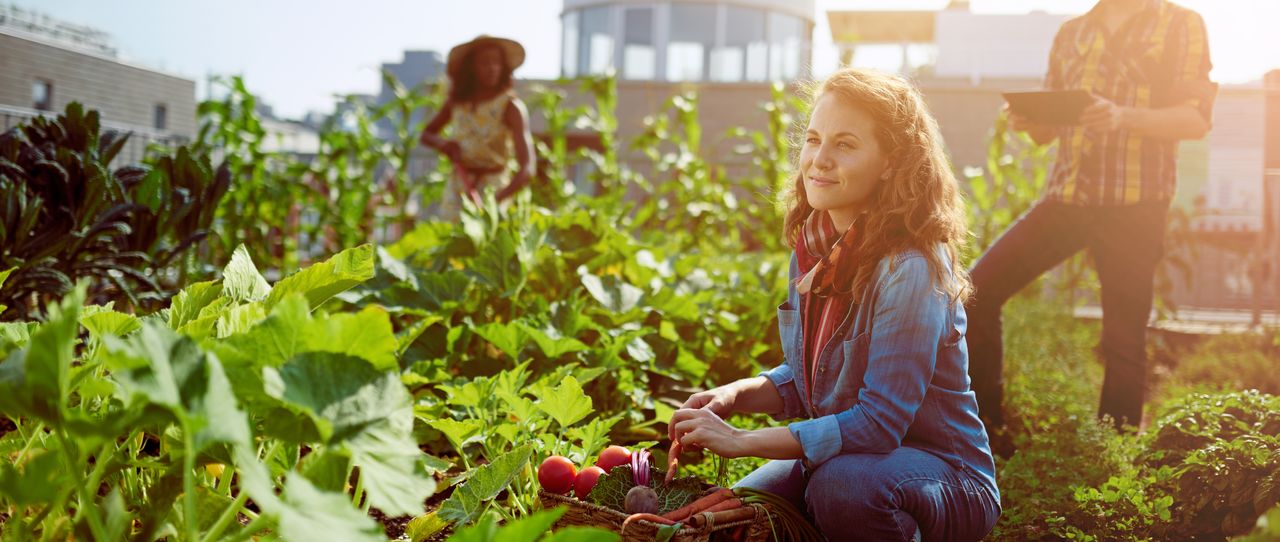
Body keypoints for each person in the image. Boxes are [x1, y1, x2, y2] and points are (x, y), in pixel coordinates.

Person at [667, 68, 1000, 542]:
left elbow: (879, 424)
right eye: (813, 139)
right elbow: (814, 381)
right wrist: (734, 397)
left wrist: (741, 442)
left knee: (840, 489)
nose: (819, 160)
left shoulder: (911, 267)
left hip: (947, 478)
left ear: (891, 163)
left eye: (845, 144)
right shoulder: (815, 250)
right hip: (849, 460)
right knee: (734, 512)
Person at [965, 0, 1216, 437]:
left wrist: (1122, 117)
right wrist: (1027, 119)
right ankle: (987, 429)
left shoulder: (1180, 24)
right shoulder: (1072, 33)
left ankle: (1114, 452)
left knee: (1123, 340)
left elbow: (1194, 120)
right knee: (975, 292)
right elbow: (1047, 132)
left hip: (1135, 206)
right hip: (1067, 199)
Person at [420, 35, 535, 220]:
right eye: (484, 63)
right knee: (452, 243)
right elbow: (426, 134)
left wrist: (498, 198)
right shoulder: (457, 104)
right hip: (459, 186)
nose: (491, 68)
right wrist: (444, 145)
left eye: (496, 62)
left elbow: (527, 169)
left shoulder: (510, 107)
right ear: (471, 68)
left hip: (494, 190)